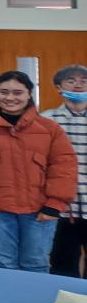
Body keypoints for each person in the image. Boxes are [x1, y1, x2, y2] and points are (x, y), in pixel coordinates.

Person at [0, 71, 76, 273]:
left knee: (35, 263)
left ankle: (34, 296)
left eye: (18, 92)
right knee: (2, 263)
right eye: (4, 92)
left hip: (39, 210)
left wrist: (55, 203)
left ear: (29, 94)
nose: (10, 97)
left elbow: (63, 166)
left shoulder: (49, 128)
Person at [43, 65, 87, 278]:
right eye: (71, 81)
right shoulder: (47, 120)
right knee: (62, 264)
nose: (78, 85)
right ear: (59, 87)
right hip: (61, 207)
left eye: (83, 81)